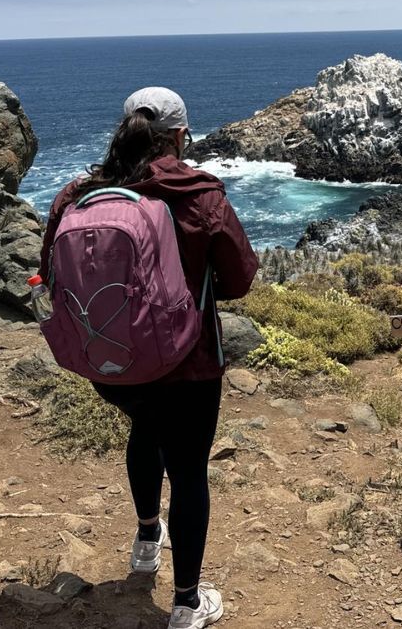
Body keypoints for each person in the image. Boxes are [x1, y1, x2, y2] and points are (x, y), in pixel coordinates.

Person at [37, 87, 258, 629]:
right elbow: (239, 279)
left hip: (111, 361)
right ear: (180, 136)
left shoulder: (77, 194)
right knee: (188, 472)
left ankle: (144, 541)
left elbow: (52, 271)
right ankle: (185, 604)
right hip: (189, 363)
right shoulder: (199, 197)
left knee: (146, 432)